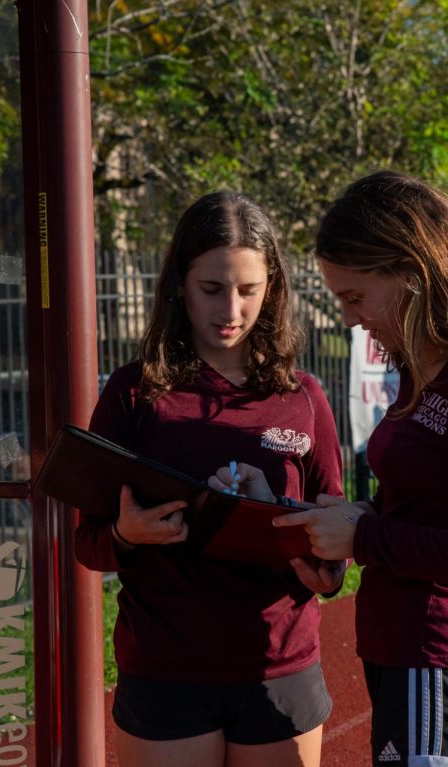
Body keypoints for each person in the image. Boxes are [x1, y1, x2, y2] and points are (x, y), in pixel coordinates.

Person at [237, 170, 448, 766]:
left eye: (355, 297)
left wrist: (366, 535)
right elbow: (437, 512)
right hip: (416, 661)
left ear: (412, 274)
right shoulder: (428, 371)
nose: (348, 319)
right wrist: (346, 517)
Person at [73, 192, 344, 767]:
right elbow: (88, 541)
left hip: (280, 665)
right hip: (166, 669)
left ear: (272, 288)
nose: (232, 310)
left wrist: (304, 545)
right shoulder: (132, 392)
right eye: (213, 289)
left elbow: (334, 543)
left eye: (249, 290)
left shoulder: (304, 398)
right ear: (179, 284)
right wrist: (127, 534)